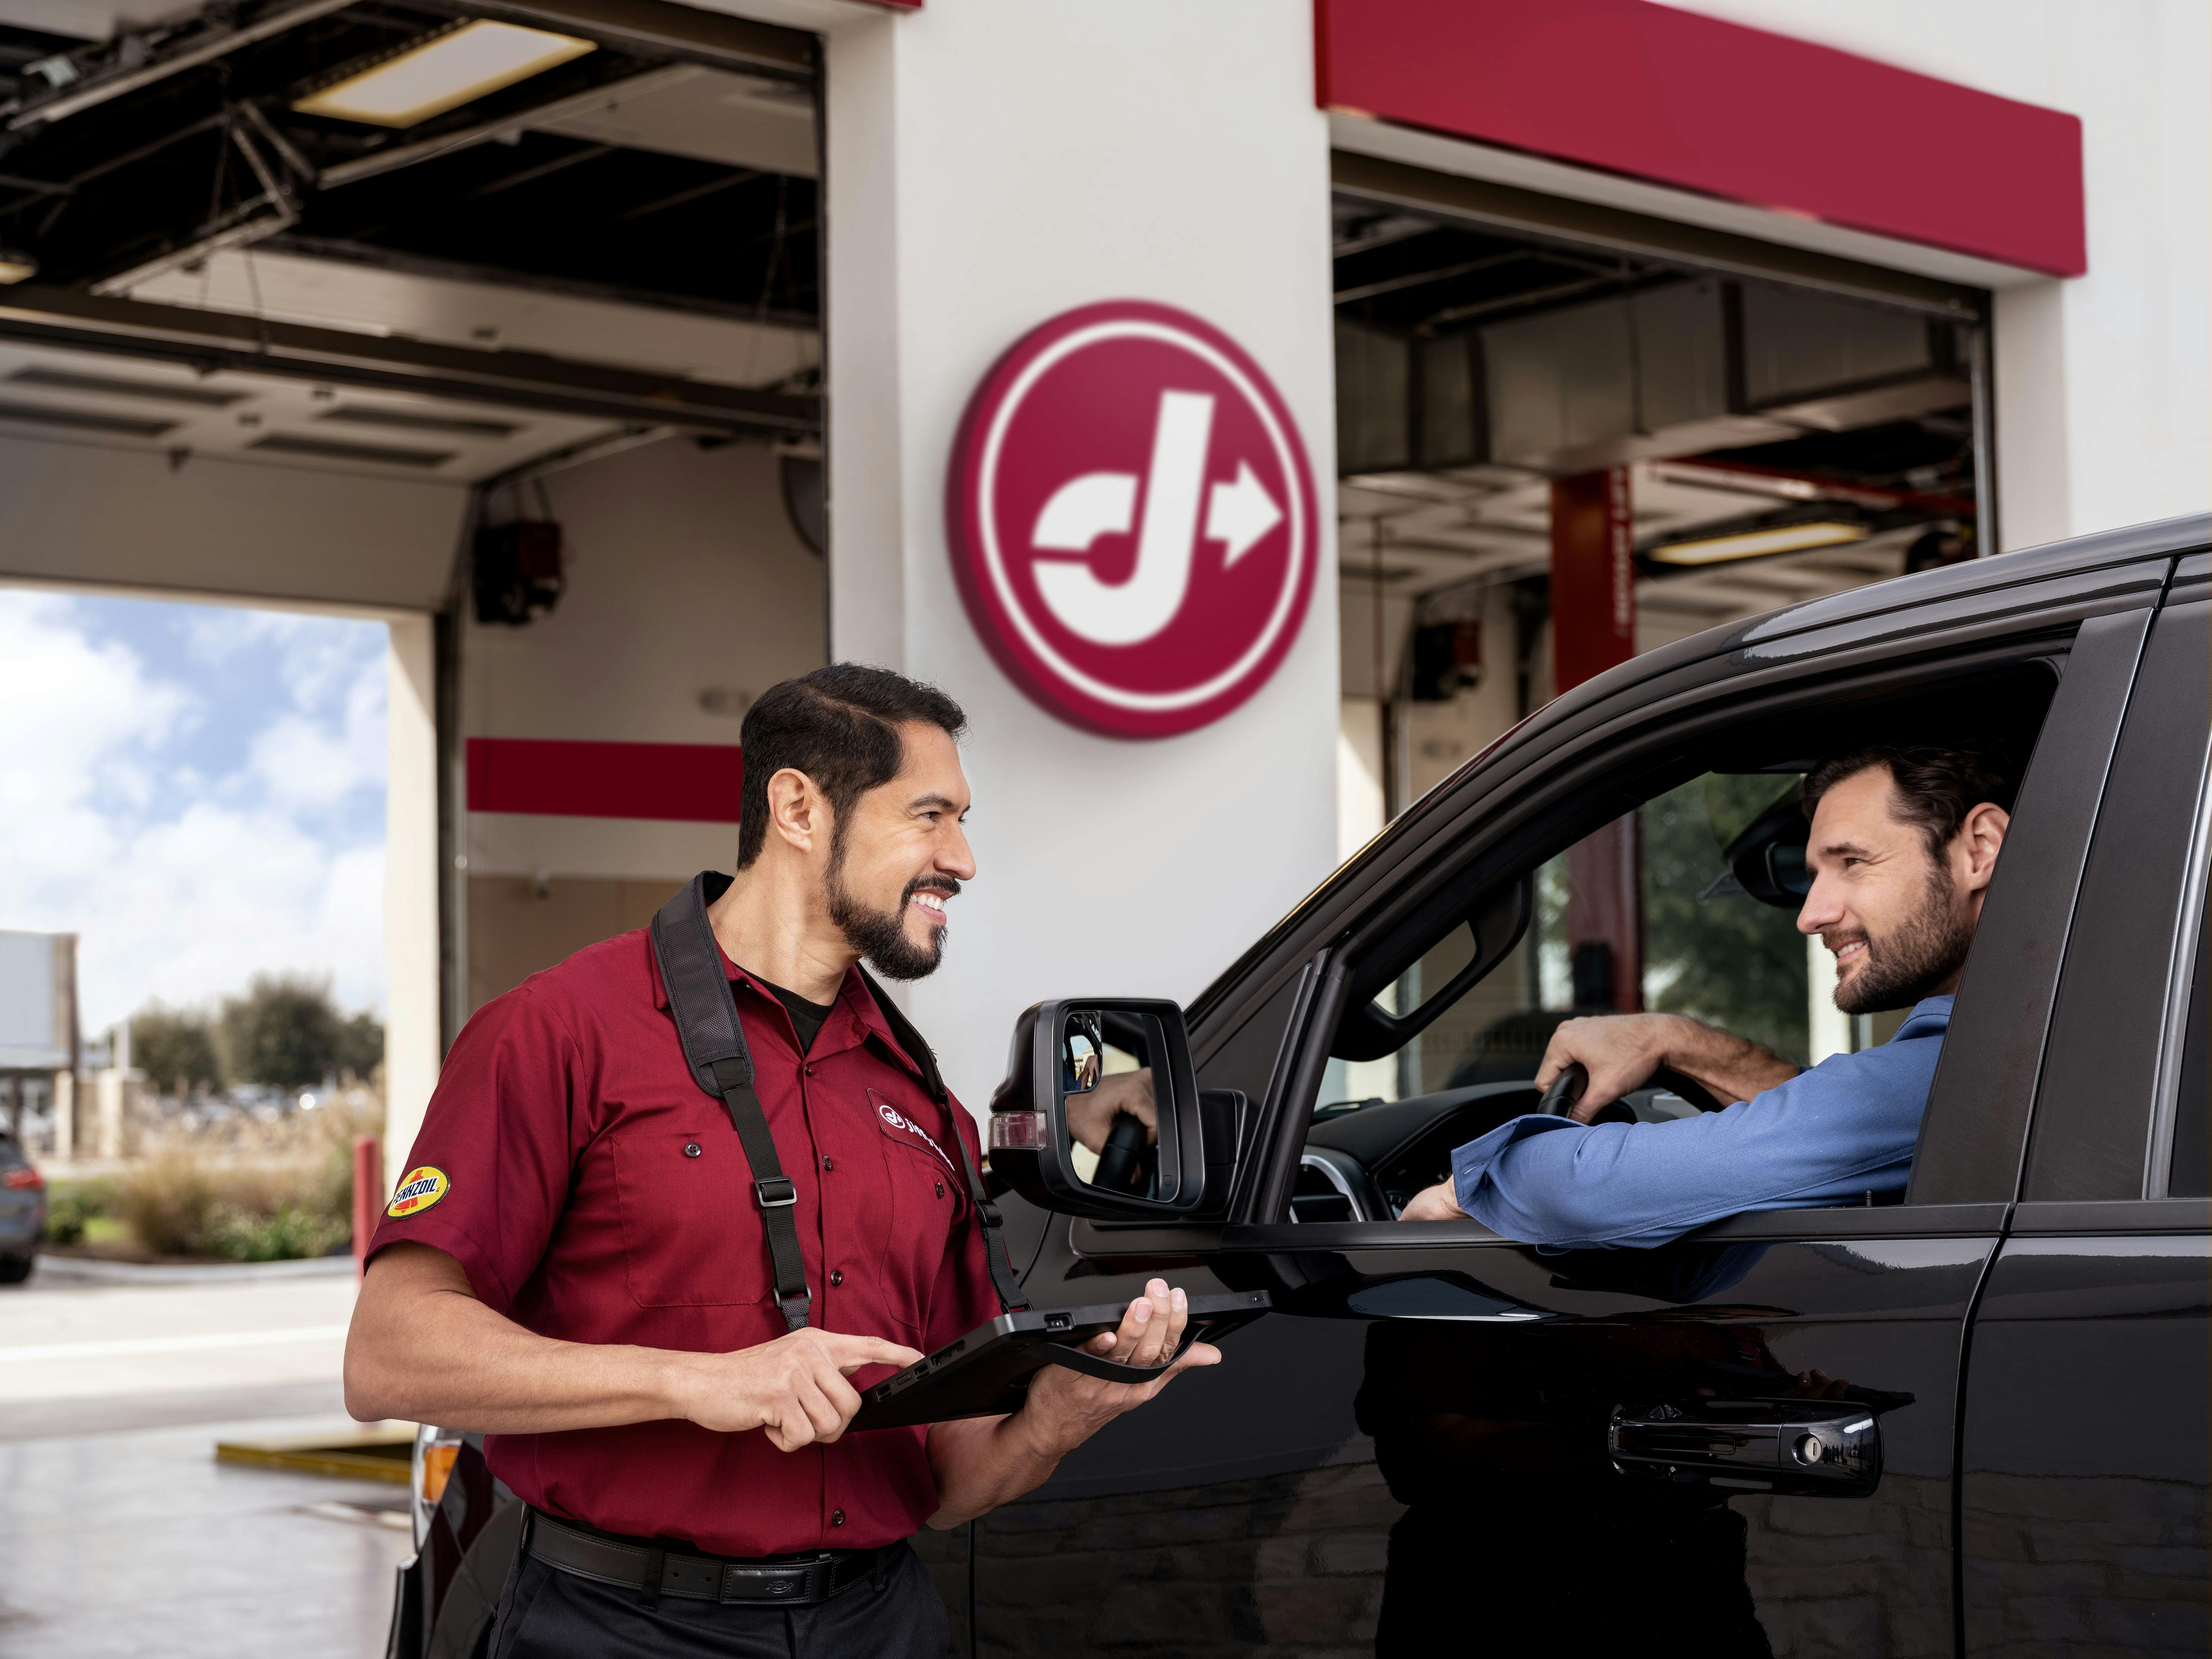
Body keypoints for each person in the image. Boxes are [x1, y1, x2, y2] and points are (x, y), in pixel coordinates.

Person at [344, 665, 1219, 1658]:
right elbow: (388, 1354)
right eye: (930, 816)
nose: (963, 859)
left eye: (964, 820)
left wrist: (1059, 1416)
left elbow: (948, 1483)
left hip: (881, 1622)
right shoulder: (559, 1031)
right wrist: (699, 1383)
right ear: (799, 806)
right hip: (617, 1628)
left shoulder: (924, 1102)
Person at [1399, 744, 2014, 1246]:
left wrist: (1473, 1186)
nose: (1811, 915)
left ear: (1980, 849)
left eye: (1852, 861)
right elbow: (1835, 1124)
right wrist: (1675, 1040)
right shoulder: (2015, 1045)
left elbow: (1592, 1193)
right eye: (1813, 874)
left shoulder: (1977, 1061)